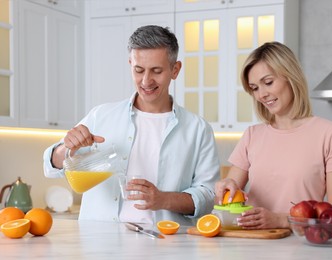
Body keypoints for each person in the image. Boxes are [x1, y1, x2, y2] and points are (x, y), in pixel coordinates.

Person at [43, 25, 220, 226]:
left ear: (175, 69)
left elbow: (208, 196)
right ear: (130, 64)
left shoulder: (197, 129)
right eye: (138, 70)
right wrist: (67, 148)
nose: (146, 81)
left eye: (156, 71)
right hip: (100, 243)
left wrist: (163, 199)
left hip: (166, 243)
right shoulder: (101, 115)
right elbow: (51, 167)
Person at [215, 42, 332, 229]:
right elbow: (227, 199)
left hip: (304, 247)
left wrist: (282, 220)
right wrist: (226, 186)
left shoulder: (331, 134)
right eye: (255, 88)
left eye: (268, 82)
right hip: (252, 245)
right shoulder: (252, 135)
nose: (261, 95)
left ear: (291, 77)